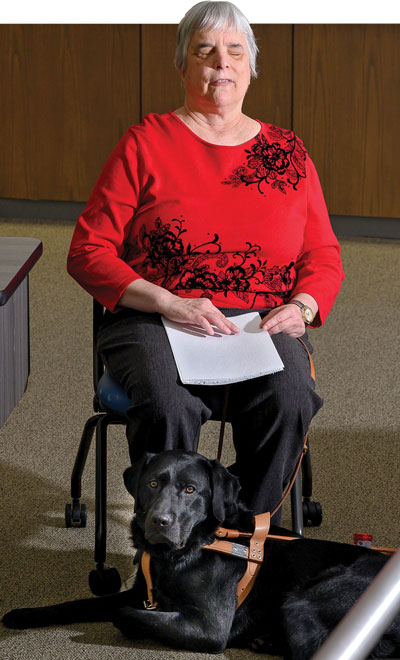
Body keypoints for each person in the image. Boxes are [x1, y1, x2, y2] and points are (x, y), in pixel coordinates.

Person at [67, 0, 344, 522]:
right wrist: (169, 302)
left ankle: (241, 529)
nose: (222, 64)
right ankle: (168, 539)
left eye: (235, 52)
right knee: (168, 406)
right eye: (206, 51)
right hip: (155, 317)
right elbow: (88, 252)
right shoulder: (145, 145)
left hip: (258, 323)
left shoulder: (288, 153)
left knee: (290, 397)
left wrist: (304, 305)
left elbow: (323, 254)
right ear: (183, 65)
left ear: (251, 67)